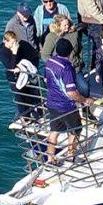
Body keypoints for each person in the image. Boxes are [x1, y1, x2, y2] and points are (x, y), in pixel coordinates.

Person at [43, 38, 94, 166]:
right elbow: (71, 92)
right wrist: (85, 100)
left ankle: (50, 158)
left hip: (52, 103)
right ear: (70, 52)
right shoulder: (67, 67)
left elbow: (45, 80)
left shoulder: (49, 62)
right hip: (66, 106)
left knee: (54, 130)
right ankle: (71, 156)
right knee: (75, 130)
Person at [0, 30, 41, 129]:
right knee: (20, 99)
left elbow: (29, 56)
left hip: (24, 76)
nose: (14, 44)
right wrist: (14, 53)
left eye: (15, 42)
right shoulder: (3, 52)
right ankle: (25, 119)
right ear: (5, 41)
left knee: (30, 95)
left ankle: (35, 114)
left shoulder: (21, 46)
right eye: (12, 42)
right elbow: (11, 66)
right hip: (14, 79)